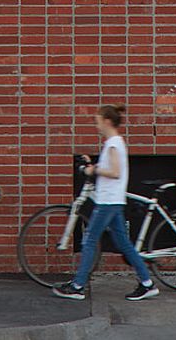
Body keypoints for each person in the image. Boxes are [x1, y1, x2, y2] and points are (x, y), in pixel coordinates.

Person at [53, 104, 158, 301]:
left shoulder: (113, 144)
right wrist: (92, 164)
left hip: (108, 202)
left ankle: (78, 285)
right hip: (113, 201)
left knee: (90, 240)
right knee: (124, 244)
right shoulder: (114, 143)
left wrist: (94, 171)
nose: (97, 125)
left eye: (98, 121)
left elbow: (115, 172)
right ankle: (147, 283)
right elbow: (111, 168)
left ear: (107, 121)